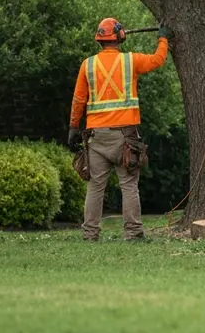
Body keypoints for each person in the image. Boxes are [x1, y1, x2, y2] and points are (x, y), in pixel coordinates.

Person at [69, 18, 172, 242]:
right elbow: (157, 60)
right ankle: (134, 233)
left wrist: (73, 127)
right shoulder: (130, 61)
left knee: (95, 187)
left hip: (96, 137)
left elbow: (79, 99)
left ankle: (90, 235)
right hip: (125, 137)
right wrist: (163, 37)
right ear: (120, 37)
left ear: (99, 40)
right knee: (128, 185)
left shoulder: (87, 65)